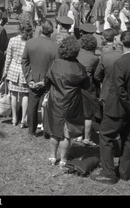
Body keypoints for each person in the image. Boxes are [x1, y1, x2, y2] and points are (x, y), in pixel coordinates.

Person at [91, 31, 130, 184]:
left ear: (121, 44)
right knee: (128, 139)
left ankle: (109, 174)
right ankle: (124, 173)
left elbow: (120, 90)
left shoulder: (121, 63)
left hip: (117, 110)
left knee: (105, 137)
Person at [44, 36, 90, 168]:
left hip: (56, 101)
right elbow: (87, 86)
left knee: (54, 130)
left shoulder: (54, 64)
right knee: (67, 133)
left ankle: (53, 157)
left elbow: (47, 81)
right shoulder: (79, 68)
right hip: (72, 103)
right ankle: (63, 159)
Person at [21, 19, 58, 137]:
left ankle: (31, 130)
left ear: (41, 29)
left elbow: (24, 61)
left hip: (34, 79)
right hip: (48, 81)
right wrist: (45, 81)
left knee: (33, 105)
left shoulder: (30, 42)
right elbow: (56, 67)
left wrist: (29, 78)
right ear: (51, 32)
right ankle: (47, 131)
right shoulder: (55, 47)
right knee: (47, 105)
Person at [2, 18, 33, 127]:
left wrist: (5, 72)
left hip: (13, 69)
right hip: (26, 70)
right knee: (25, 95)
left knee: (13, 95)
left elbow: (8, 58)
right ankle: (23, 119)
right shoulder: (31, 42)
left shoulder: (13, 40)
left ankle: (14, 118)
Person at [77, 34, 100, 146]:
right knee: (87, 114)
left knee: (77, 112)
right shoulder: (95, 58)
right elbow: (97, 76)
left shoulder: (77, 54)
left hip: (75, 86)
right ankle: (87, 138)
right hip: (87, 87)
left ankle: (78, 135)